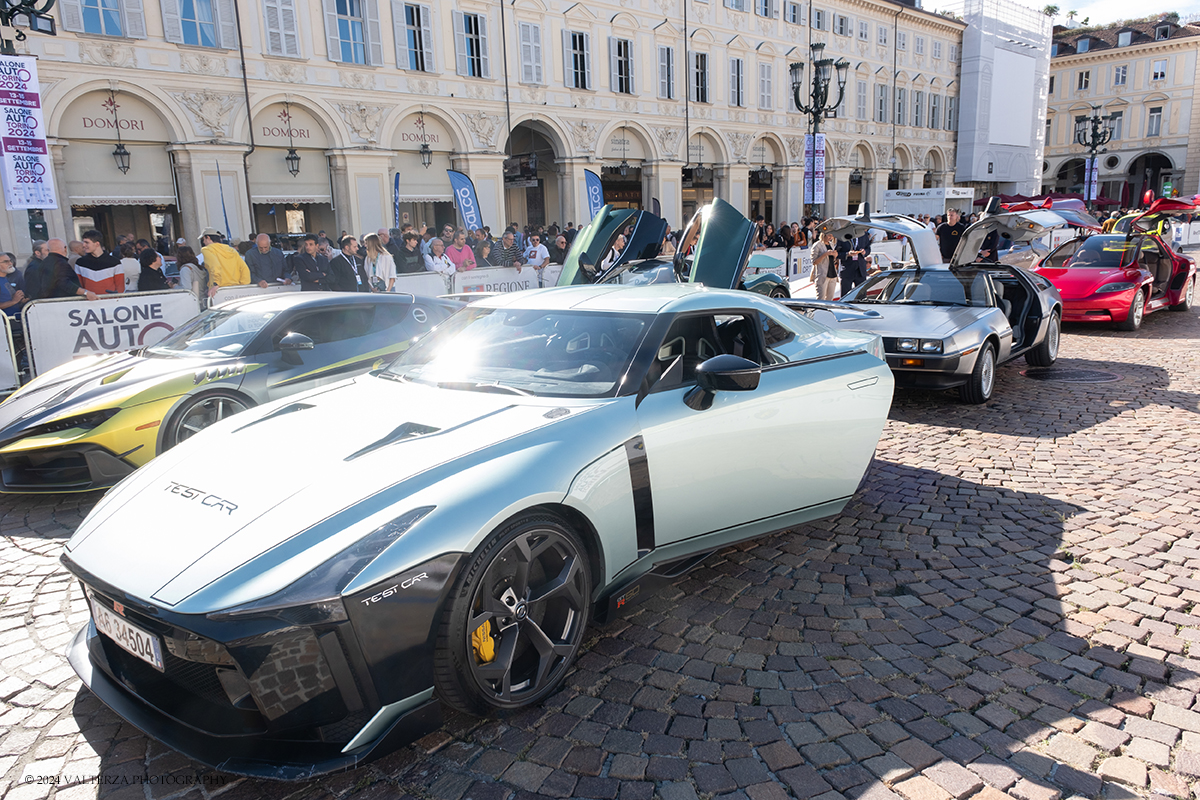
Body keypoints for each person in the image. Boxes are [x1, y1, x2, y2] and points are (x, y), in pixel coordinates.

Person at [199, 228, 251, 297]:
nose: (203, 242)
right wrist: (243, 285)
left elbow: (214, 266)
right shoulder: (231, 250)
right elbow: (244, 268)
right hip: (237, 288)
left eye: (203, 239)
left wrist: (216, 284)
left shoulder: (206, 249)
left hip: (219, 290)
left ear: (208, 237)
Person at [75, 231, 125, 295]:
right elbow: (79, 286)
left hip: (110, 302)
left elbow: (120, 288)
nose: (83, 245)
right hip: (88, 303)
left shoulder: (115, 262)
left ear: (97, 244)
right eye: (83, 242)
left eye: (86, 242)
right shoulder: (80, 262)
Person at [837, 231, 872, 297]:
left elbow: (868, 249)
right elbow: (837, 253)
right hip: (847, 269)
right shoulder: (842, 236)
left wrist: (865, 252)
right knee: (846, 295)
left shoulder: (863, 235)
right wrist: (847, 254)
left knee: (861, 295)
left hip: (860, 269)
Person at [175, 245, 208, 310]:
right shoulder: (200, 268)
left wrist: (175, 286)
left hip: (193, 304)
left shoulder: (185, 269)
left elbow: (187, 289)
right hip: (204, 301)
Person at [811, 232, 839, 301]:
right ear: (824, 235)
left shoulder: (832, 244)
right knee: (821, 298)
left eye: (832, 236)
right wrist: (825, 254)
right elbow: (814, 262)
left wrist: (835, 255)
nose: (831, 237)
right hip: (822, 275)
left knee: (830, 299)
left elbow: (834, 260)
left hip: (832, 274)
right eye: (829, 235)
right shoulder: (817, 245)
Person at [0, 253, 26, 318]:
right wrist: (14, 301)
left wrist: (20, 298)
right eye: (6, 262)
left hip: (16, 319)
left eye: (10, 261)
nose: (10, 263)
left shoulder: (6, 278)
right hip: (6, 322)